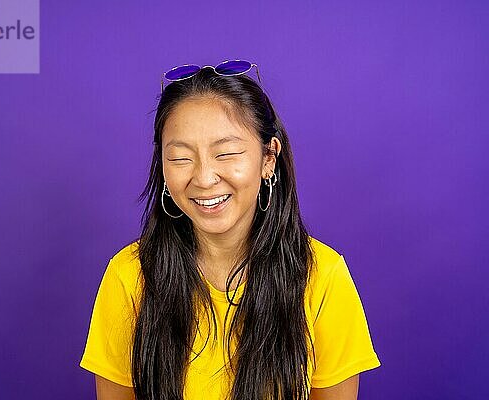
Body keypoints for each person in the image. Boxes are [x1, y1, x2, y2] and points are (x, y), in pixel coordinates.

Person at [79, 60, 381, 400]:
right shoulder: (129, 275)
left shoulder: (323, 276)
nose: (205, 178)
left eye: (227, 153)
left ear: (269, 158)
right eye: (180, 158)